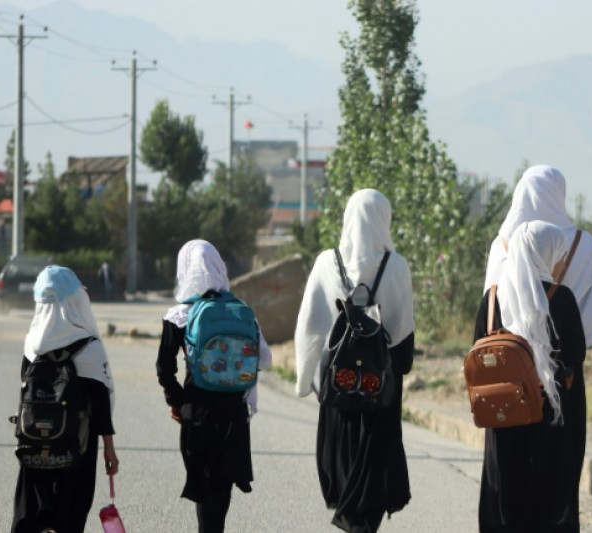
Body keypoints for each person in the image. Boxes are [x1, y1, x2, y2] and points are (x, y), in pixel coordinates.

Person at [294, 189, 415, 532]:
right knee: (373, 478)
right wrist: (398, 368)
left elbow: (310, 326)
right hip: (381, 391)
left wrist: (306, 381)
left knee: (345, 472)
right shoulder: (397, 266)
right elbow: (404, 337)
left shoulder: (325, 264)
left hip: (339, 388)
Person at [475, 220, 587, 532]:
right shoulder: (562, 298)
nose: (561, 260)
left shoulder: (492, 298)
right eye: (558, 253)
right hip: (548, 409)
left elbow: (477, 349)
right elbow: (576, 354)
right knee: (548, 488)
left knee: (508, 484)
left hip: (502, 410)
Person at [156, 239, 272, 533]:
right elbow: (266, 360)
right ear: (220, 268)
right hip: (234, 412)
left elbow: (164, 367)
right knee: (221, 489)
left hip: (198, 411)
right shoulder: (240, 310)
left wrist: (177, 401)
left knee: (204, 487)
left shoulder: (179, 315)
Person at [12, 265, 119, 533]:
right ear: (76, 300)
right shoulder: (88, 346)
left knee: (34, 511)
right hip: (78, 446)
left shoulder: (33, 344)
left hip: (35, 441)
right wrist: (109, 447)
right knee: (70, 513)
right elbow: (101, 404)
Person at [484, 164, 592, 347]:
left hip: (509, 360)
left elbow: (490, 306)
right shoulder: (583, 244)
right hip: (563, 356)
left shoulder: (500, 245)